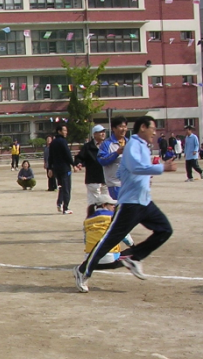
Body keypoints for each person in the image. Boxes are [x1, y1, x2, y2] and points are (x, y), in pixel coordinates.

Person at [74, 116, 177, 292]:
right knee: (108, 241)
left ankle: (133, 256)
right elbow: (135, 167)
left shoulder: (140, 145)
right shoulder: (132, 145)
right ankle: (83, 270)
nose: (155, 132)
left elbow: (125, 171)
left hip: (144, 201)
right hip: (130, 204)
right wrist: (162, 168)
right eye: (153, 128)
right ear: (143, 127)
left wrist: (140, 179)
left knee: (165, 230)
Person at [81, 193, 134, 272]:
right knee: (137, 251)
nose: (114, 207)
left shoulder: (87, 220)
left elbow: (86, 241)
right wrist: (133, 246)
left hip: (89, 261)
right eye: (112, 205)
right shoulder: (114, 217)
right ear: (104, 205)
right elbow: (126, 238)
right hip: (110, 260)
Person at [74, 124, 108, 217]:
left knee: (106, 201)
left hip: (106, 178)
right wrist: (78, 163)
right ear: (94, 134)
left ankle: (105, 219)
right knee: (95, 201)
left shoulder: (108, 145)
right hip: (93, 178)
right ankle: (93, 219)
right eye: (100, 132)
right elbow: (79, 158)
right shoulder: (88, 147)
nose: (103, 134)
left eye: (103, 132)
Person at [98, 116, 127, 200]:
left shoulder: (129, 142)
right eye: (121, 126)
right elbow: (102, 160)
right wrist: (116, 153)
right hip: (115, 184)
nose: (123, 129)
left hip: (129, 183)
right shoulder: (106, 144)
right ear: (113, 128)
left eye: (125, 126)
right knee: (119, 209)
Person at [48, 124, 74, 215]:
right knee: (66, 187)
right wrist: (73, 164)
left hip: (56, 168)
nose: (66, 132)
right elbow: (67, 154)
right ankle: (65, 207)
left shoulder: (53, 143)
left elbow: (50, 156)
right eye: (64, 130)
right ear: (59, 131)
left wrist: (50, 168)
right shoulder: (63, 142)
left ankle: (59, 203)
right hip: (65, 168)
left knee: (61, 187)